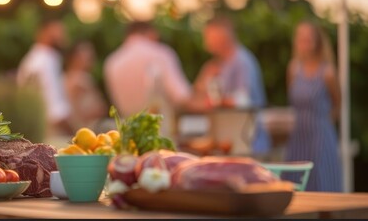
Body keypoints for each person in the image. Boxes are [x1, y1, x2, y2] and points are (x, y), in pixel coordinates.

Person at [193, 16, 272, 156]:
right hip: (232, 143)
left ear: (222, 36)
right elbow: (197, 96)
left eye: (208, 36)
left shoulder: (242, 62)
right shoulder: (219, 64)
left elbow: (243, 99)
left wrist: (216, 101)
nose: (206, 41)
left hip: (247, 142)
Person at [283, 21, 342, 192]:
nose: (304, 42)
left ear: (317, 41)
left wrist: (324, 125)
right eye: (300, 38)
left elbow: (337, 104)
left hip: (320, 136)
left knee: (321, 181)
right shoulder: (293, 69)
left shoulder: (328, 72)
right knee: (295, 181)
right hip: (298, 136)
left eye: (308, 38)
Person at [104, 21, 193, 119]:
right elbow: (181, 97)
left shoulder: (112, 62)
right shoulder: (161, 54)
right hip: (161, 129)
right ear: (152, 33)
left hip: (128, 129)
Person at [16, 19, 72, 135]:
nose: (63, 36)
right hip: (51, 132)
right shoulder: (45, 61)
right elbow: (55, 110)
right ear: (43, 33)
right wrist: (74, 134)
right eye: (58, 32)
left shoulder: (35, 58)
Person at [63, 41, 107, 130]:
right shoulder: (80, 80)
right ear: (75, 57)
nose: (92, 58)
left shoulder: (65, 77)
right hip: (86, 129)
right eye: (88, 55)